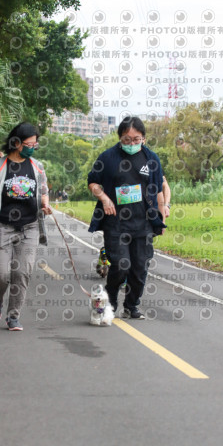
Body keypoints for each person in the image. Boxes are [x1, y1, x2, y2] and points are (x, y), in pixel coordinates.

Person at [88, 116, 166, 319]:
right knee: (122, 264)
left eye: (136, 139)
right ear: (119, 138)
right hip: (116, 222)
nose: (131, 143)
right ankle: (111, 299)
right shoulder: (107, 158)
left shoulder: (151, 159)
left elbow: (158, 191)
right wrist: (104, 198)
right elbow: (93, 183)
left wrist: (161, 216)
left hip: (144, 222)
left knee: (140, 267)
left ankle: (132, 305)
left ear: (144, 138)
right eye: (126, 139)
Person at [0, 122, 52, 331]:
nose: (32, 148)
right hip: (1, 226)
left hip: (29, 227)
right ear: (16, 143)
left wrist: (45, 204)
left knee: (22, 272)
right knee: (1, 274)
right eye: (29, 144)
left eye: (35, 145)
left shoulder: (37, 167)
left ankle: (13, 316)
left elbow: (44, 191)